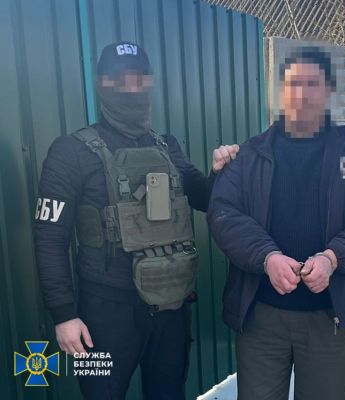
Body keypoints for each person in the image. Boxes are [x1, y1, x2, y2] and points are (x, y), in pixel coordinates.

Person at [33, 41, 238, 399]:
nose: (132, 87)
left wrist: (219, 172)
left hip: (171, 307)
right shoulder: (70, 151)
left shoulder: (167, 146)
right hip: (102, 315)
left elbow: (204, 197)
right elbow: (50, 237)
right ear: (102, 83)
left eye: (140, 78)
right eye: (121, 79)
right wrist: (63, 315)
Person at [207, 47, 345, 400]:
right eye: (294, 84)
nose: (302, 94)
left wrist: (333, 258)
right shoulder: (250, 154)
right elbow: (224, 213)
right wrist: (266, 257)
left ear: (328, 90)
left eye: (313, 83)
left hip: (330, 316)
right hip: (261, 316)